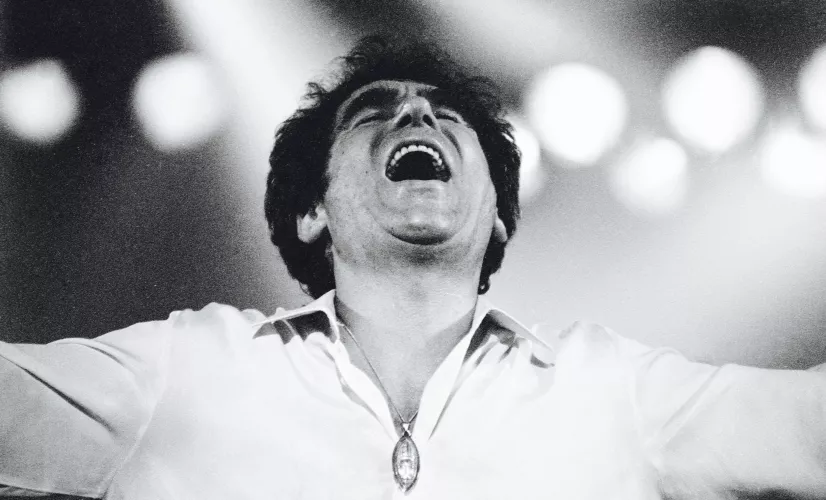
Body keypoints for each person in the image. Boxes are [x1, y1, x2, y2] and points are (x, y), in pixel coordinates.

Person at [1, 35, 824, 500]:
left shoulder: (611, 388)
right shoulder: (188, 370)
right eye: (374, 112)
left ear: (496, 212)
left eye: (446, 116)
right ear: (312, 211)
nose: (418, 114)